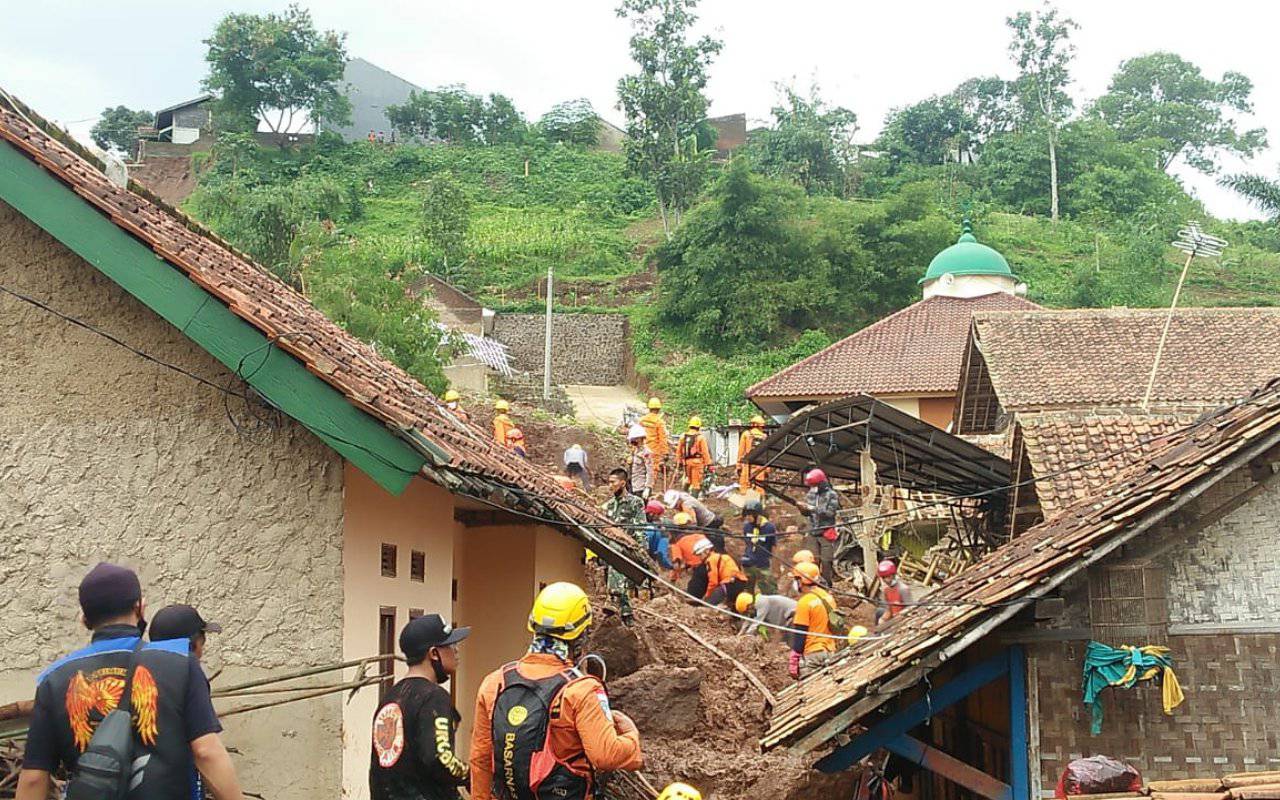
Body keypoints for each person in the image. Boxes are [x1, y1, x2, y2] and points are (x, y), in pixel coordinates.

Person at [18, 563, 243, 800]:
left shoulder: (53, 680)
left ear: (84, 619)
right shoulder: (180, 664)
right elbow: (206, 751)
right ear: (140, 607)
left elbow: (34, 778)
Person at [469, 583, 642, 800]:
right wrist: (631, 738)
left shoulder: (495, 682)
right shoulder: (582, 689)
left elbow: (480, 759)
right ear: (582, 635)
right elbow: (605, 756)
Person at [370, 614, 471, 800]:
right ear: (433, 653)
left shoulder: (391, 697)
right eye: (450, 645)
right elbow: (440, 759)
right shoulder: (433, 697)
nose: (456, 651)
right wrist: (471, 775)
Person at [148, 604, 223, 800]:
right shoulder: (187, 669)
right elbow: (205, 750)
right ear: (193, 643)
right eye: (202, 641)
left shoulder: (142, 675)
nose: (202, 652)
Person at [602, 468, 646, 625]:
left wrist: (642, 551)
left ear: (623, 482)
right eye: (609, 482)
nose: (610, 485)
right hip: (610, 548)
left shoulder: (636, 503)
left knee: (617, 561)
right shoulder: (607, 506)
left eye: (613, 482)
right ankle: (627, 613)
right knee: (613, 565)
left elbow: (640, 528)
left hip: (628, 548)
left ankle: (613, 598)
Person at [789, 562, 841, 679]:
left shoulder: (804, 602)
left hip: (813, 654)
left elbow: (800, 634)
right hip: (830, 651)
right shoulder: (828, 597)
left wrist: (794, 657)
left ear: (801, 581)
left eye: (795, 579)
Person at [798, 468, 840, 585]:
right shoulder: (811, 494)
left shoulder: (831, 495)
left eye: (815, 485)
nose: (813, 487)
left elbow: (830, 513)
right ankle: (812, 584)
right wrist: (803, 509)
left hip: (826, 532)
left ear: (821, 483)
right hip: (813, 532)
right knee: (813, 560)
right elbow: (808, 513)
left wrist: (813, 509)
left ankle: (827, 586)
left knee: (826, 561)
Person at [739, 500, 777, 594]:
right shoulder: (747, 527)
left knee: (769, 590)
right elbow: (747, 543)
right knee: (747, 590)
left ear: (758, 515)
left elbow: (773, 546)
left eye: (749, 515)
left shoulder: (769, 528)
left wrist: (773, 563)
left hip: (762, 565)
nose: (747, 518)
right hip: (748, 563)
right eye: (746, 515)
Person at [668, 514, 710, 597]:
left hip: (699, 570)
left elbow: (676, 565)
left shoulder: (677, 544)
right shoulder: (701, 536)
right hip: (714, 565)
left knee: (692, 596)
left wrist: (672, 580)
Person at [675, 417, 713, 498]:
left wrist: (680, 463)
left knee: (688, 480)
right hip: (697, 462)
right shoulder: (700, 438)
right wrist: (709, 464)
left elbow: (678, 451)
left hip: (687, 462)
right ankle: (693, 501)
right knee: (696, 484)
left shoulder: (683, 437)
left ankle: (683, 497)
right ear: (699, 427)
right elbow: (705, 452)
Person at [702, 542, 748, 608]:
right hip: (741, 582)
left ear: (706, 551)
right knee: (735, 608)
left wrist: (707, 596)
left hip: (729, 584)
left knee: (708, 605)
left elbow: (713, 582)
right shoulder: (725, 556)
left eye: (700, 554)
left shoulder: (711, 560)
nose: (700, 557)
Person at [638, 398, 671, 489]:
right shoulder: (659, 422)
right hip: (653, 452)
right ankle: (648, 492)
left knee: (640, 472)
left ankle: (639, 490)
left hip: (641, 450)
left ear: (649, 408)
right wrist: (665, 453)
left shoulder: (642, 420)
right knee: (652, 473)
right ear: (659, 409)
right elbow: (662, 439)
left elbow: (636, 435)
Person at [875, 559, 914, 626]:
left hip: (902, 620)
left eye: (888, 577)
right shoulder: (886, 590)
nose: (885, 580)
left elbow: (910, 610)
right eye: (883, 578)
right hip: (893, 617)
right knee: (879, 612)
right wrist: (883, 619)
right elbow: (889, 610)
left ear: (893, 575)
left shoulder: (903, 589)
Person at [736, 416, 769, 493]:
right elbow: (767, 454)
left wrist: (738, 465)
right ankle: (759, 503)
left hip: (747, 464)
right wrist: (767, 469)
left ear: (753, 424)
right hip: (761, 465)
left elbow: (741, 451)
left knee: (745, 485)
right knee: (759, 486)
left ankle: (745, 502)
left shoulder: (746, 434)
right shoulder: (764, 437)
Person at [625, 424, 653, 499]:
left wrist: (648, 488)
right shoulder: (634, 451)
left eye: (635, 439)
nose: (633, 441)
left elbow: (650, 471)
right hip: (632, 486)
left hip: (640, 487)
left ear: (640, 438)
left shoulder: (646, 452)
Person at [642, 500, 672, 570]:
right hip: (646, 566)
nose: (659, 517)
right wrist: (671, 567)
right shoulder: (659, 532)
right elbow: (661, 557)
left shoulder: (635, 521)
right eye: (658, 515)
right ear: (651, 514)